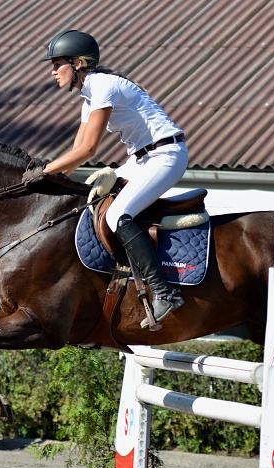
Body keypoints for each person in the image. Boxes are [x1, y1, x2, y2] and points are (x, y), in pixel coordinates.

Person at [21, 29, 188, 329]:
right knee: (95, 202)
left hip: (166, 155)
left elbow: (88, 149)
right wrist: (49, 181)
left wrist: (44, 172)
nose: (52, 71)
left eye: (57, 64)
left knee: (118, 216)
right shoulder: (89, 96)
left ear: (78, 64)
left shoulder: (102, 86)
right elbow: (76, 152)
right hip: (142, 159)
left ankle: (164, 292)